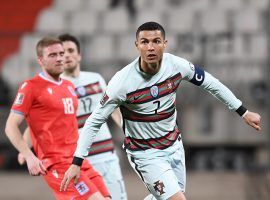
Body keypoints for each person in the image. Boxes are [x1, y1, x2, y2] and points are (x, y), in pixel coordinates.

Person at [60, 22, 261, 200]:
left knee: (170, 195)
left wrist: (242, 111)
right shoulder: (122, 83)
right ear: (136, 45)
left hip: (173, 145)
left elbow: (210, 83)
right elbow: (94, 121)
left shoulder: (176, 66)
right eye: (144, 42)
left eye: (156, 41)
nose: (150, 47)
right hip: (145, 153)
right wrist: (77, 161)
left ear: (165, 43)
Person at [5, 37, 111, 200]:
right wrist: (27, 154)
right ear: (40, 60)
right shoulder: (31, 87)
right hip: (57, 164)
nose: (60, 58)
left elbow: (43, 123)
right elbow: (11, 126)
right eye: (53, 55)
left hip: (78, 160)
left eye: (61, 53)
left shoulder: (68, 86)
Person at [59, 33, 127, 200]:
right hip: (79, 161)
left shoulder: (95, 79)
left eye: (70, 50)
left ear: (79, 55)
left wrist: (129, 131)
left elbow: (114, 110)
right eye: (62, 52)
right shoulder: (57, 87)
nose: (67, 55)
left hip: (107, 155)